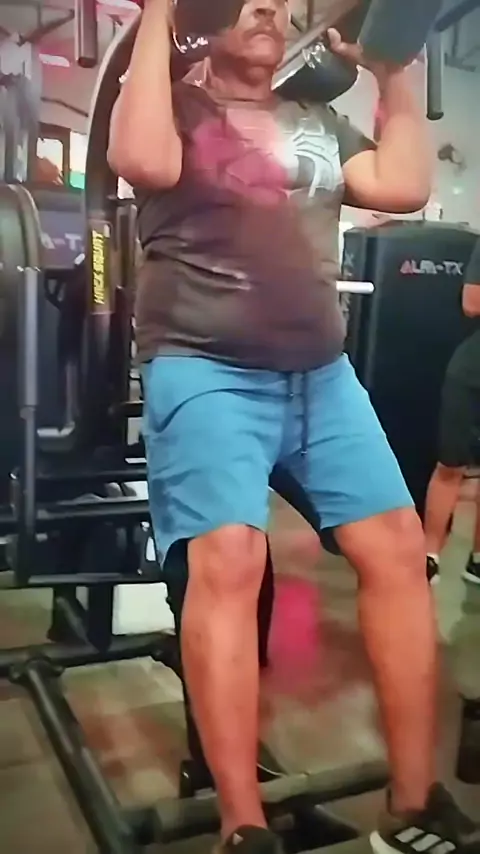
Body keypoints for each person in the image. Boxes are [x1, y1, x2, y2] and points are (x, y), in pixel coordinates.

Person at [108, 2, 480, 853]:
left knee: (398, 551)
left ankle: (414, 804)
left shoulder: (317, 120)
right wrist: (160, 13)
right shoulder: (174, 103)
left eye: (278, 1)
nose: (270, 9)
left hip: (320, 377)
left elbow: (404, 186)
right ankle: (242, 825)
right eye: (246, 0)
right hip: (205, 368)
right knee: (231, 561)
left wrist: (391, 71)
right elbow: (140, 159)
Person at [424, 239, 480, 585]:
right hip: (472, 374)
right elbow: (472, 302)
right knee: (451, 464)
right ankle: (429, 554)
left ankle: (478, 560)